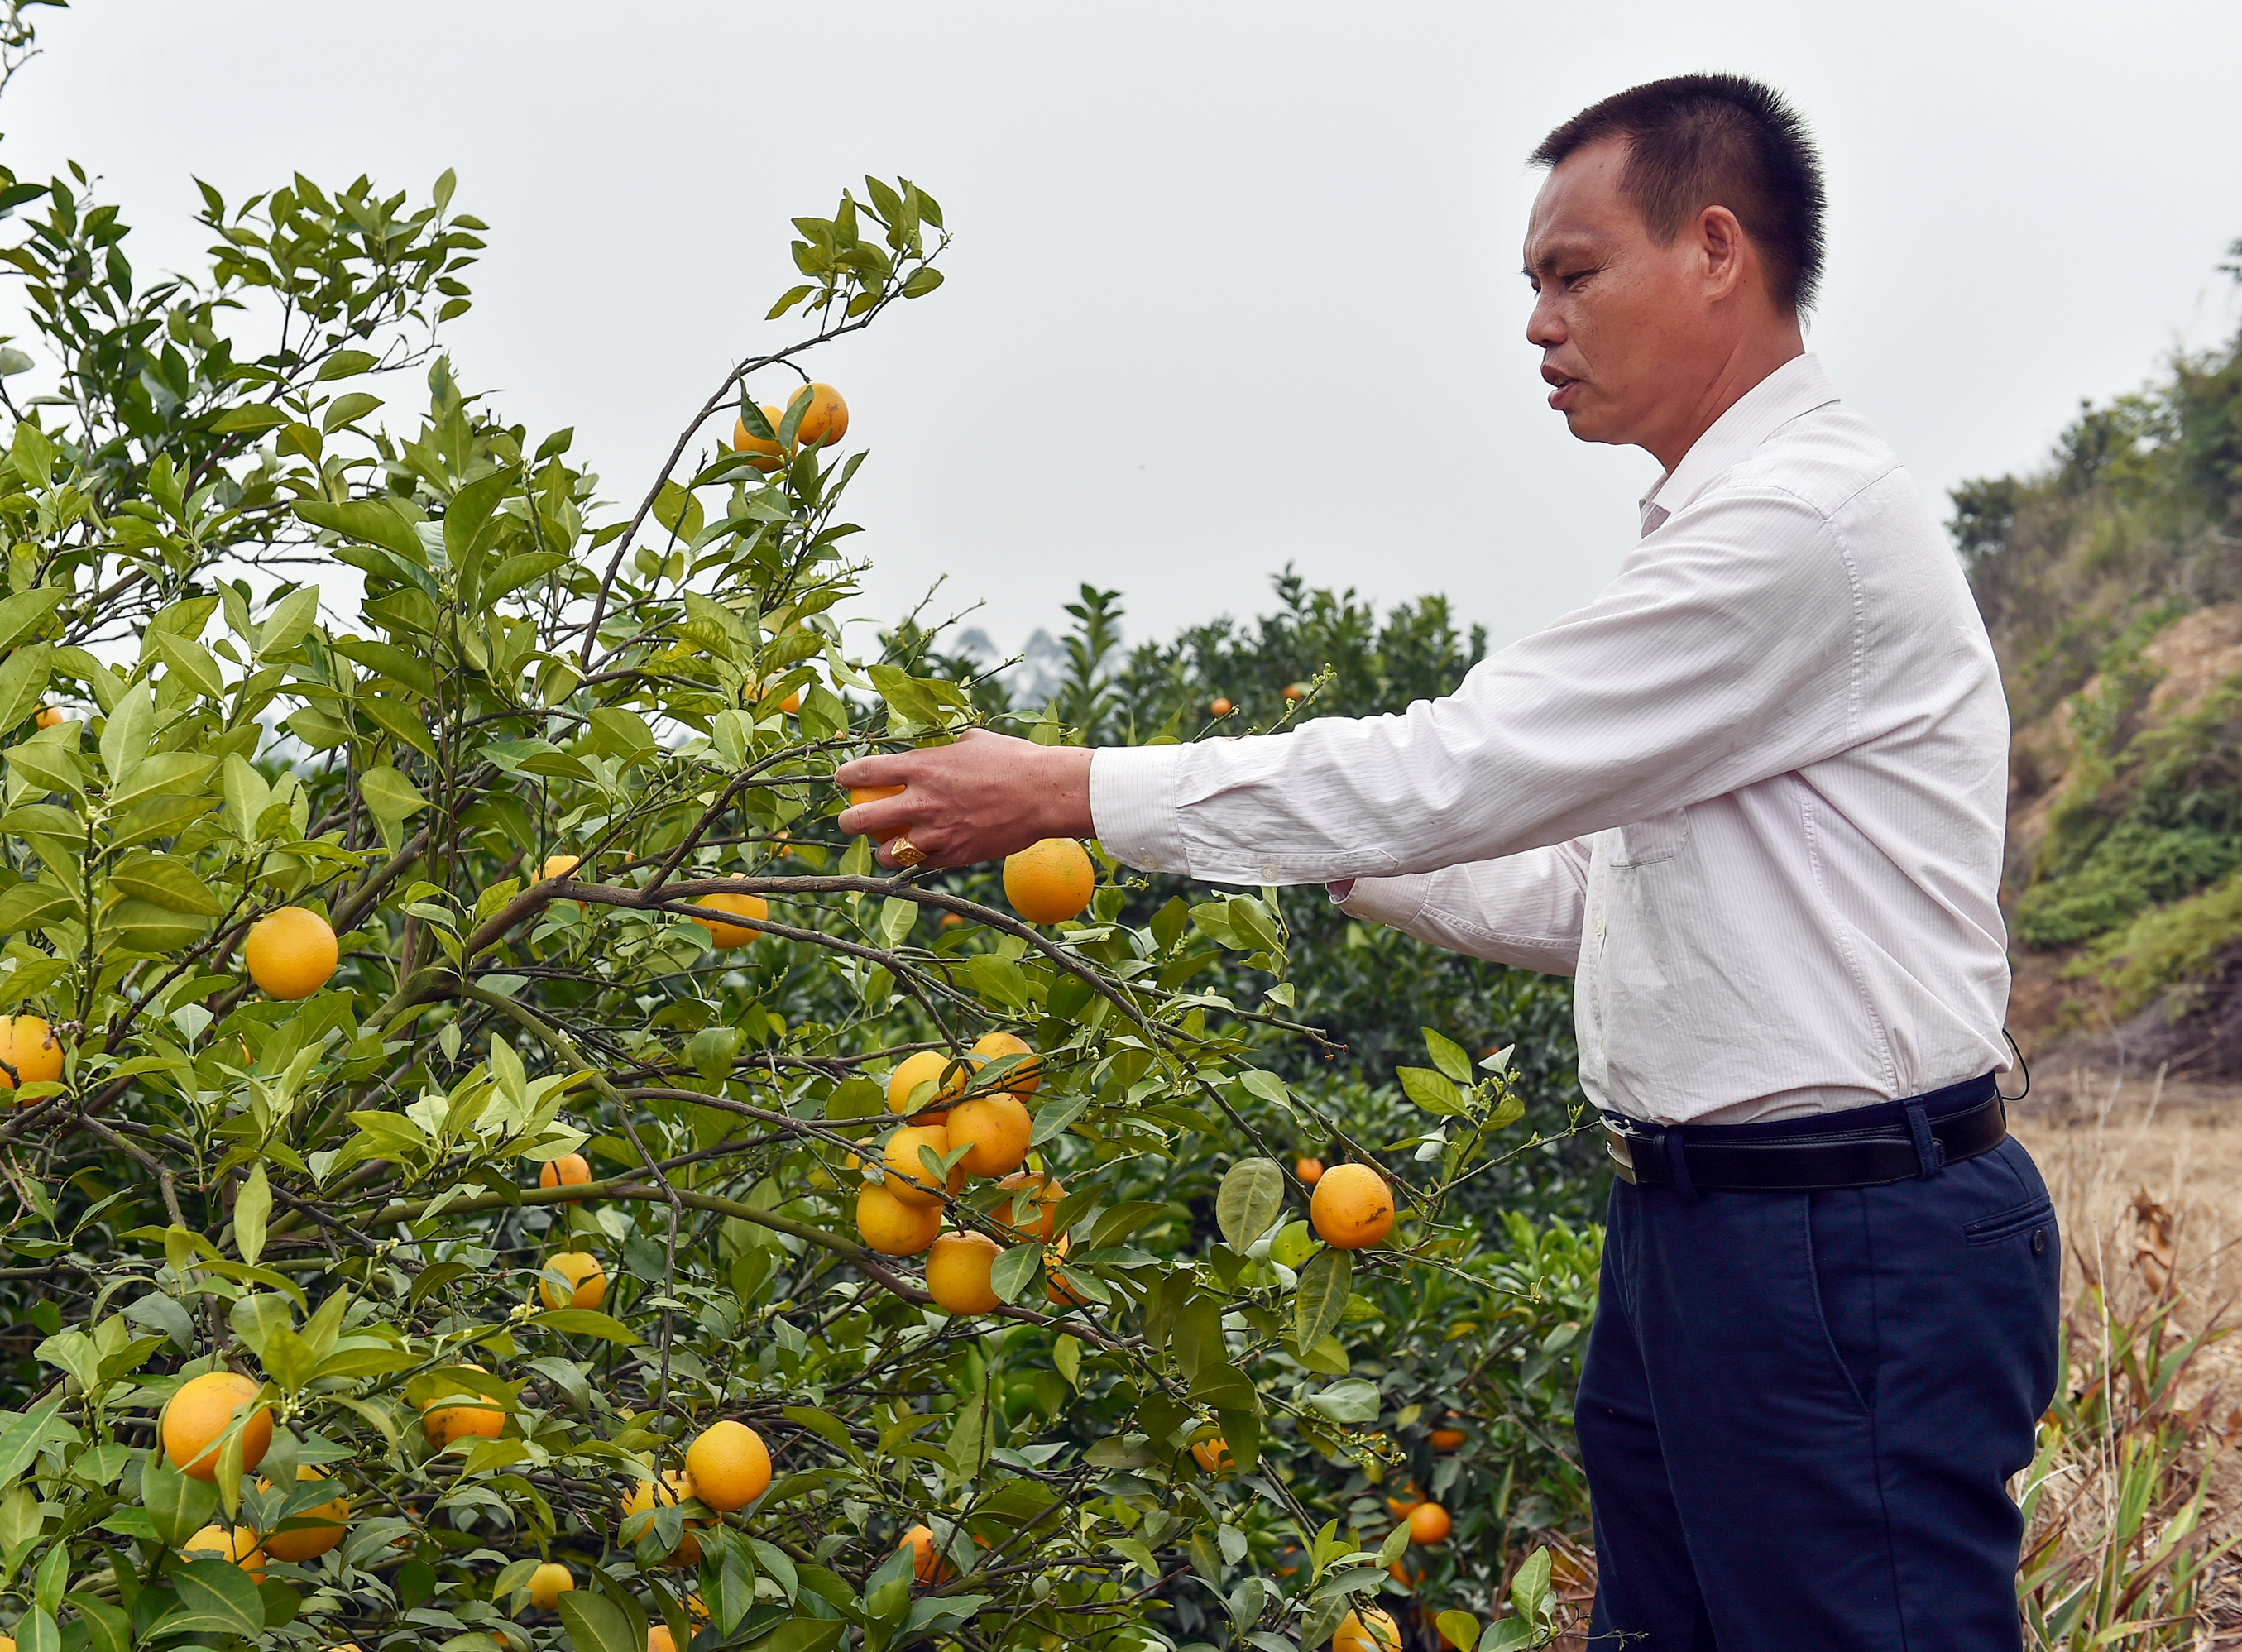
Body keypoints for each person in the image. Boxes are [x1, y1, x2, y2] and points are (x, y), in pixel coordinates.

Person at [836, 73, 2056, 1651]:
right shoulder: (1726, 526)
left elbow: (1465, 765)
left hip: (1838, 1238)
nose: (1540, 324)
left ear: (1713, 249)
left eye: (1573, 273)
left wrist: (1076, 788)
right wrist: (1344, 851)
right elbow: (1612, 893)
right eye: (1532, 286)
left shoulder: (1795, 530)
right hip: (1710, 1231)